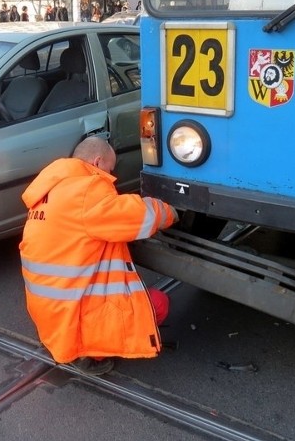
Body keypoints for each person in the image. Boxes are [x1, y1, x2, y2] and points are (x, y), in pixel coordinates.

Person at [19, 137, 178, 376]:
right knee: (157, 303)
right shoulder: (87, 189)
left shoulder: (50, 189)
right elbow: (135, 215)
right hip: (73, 315)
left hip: (49, 313)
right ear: (97, 162)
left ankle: (71, 343)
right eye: (110, 170)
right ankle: (87, 353)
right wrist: (170, 212)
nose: (112, 177)